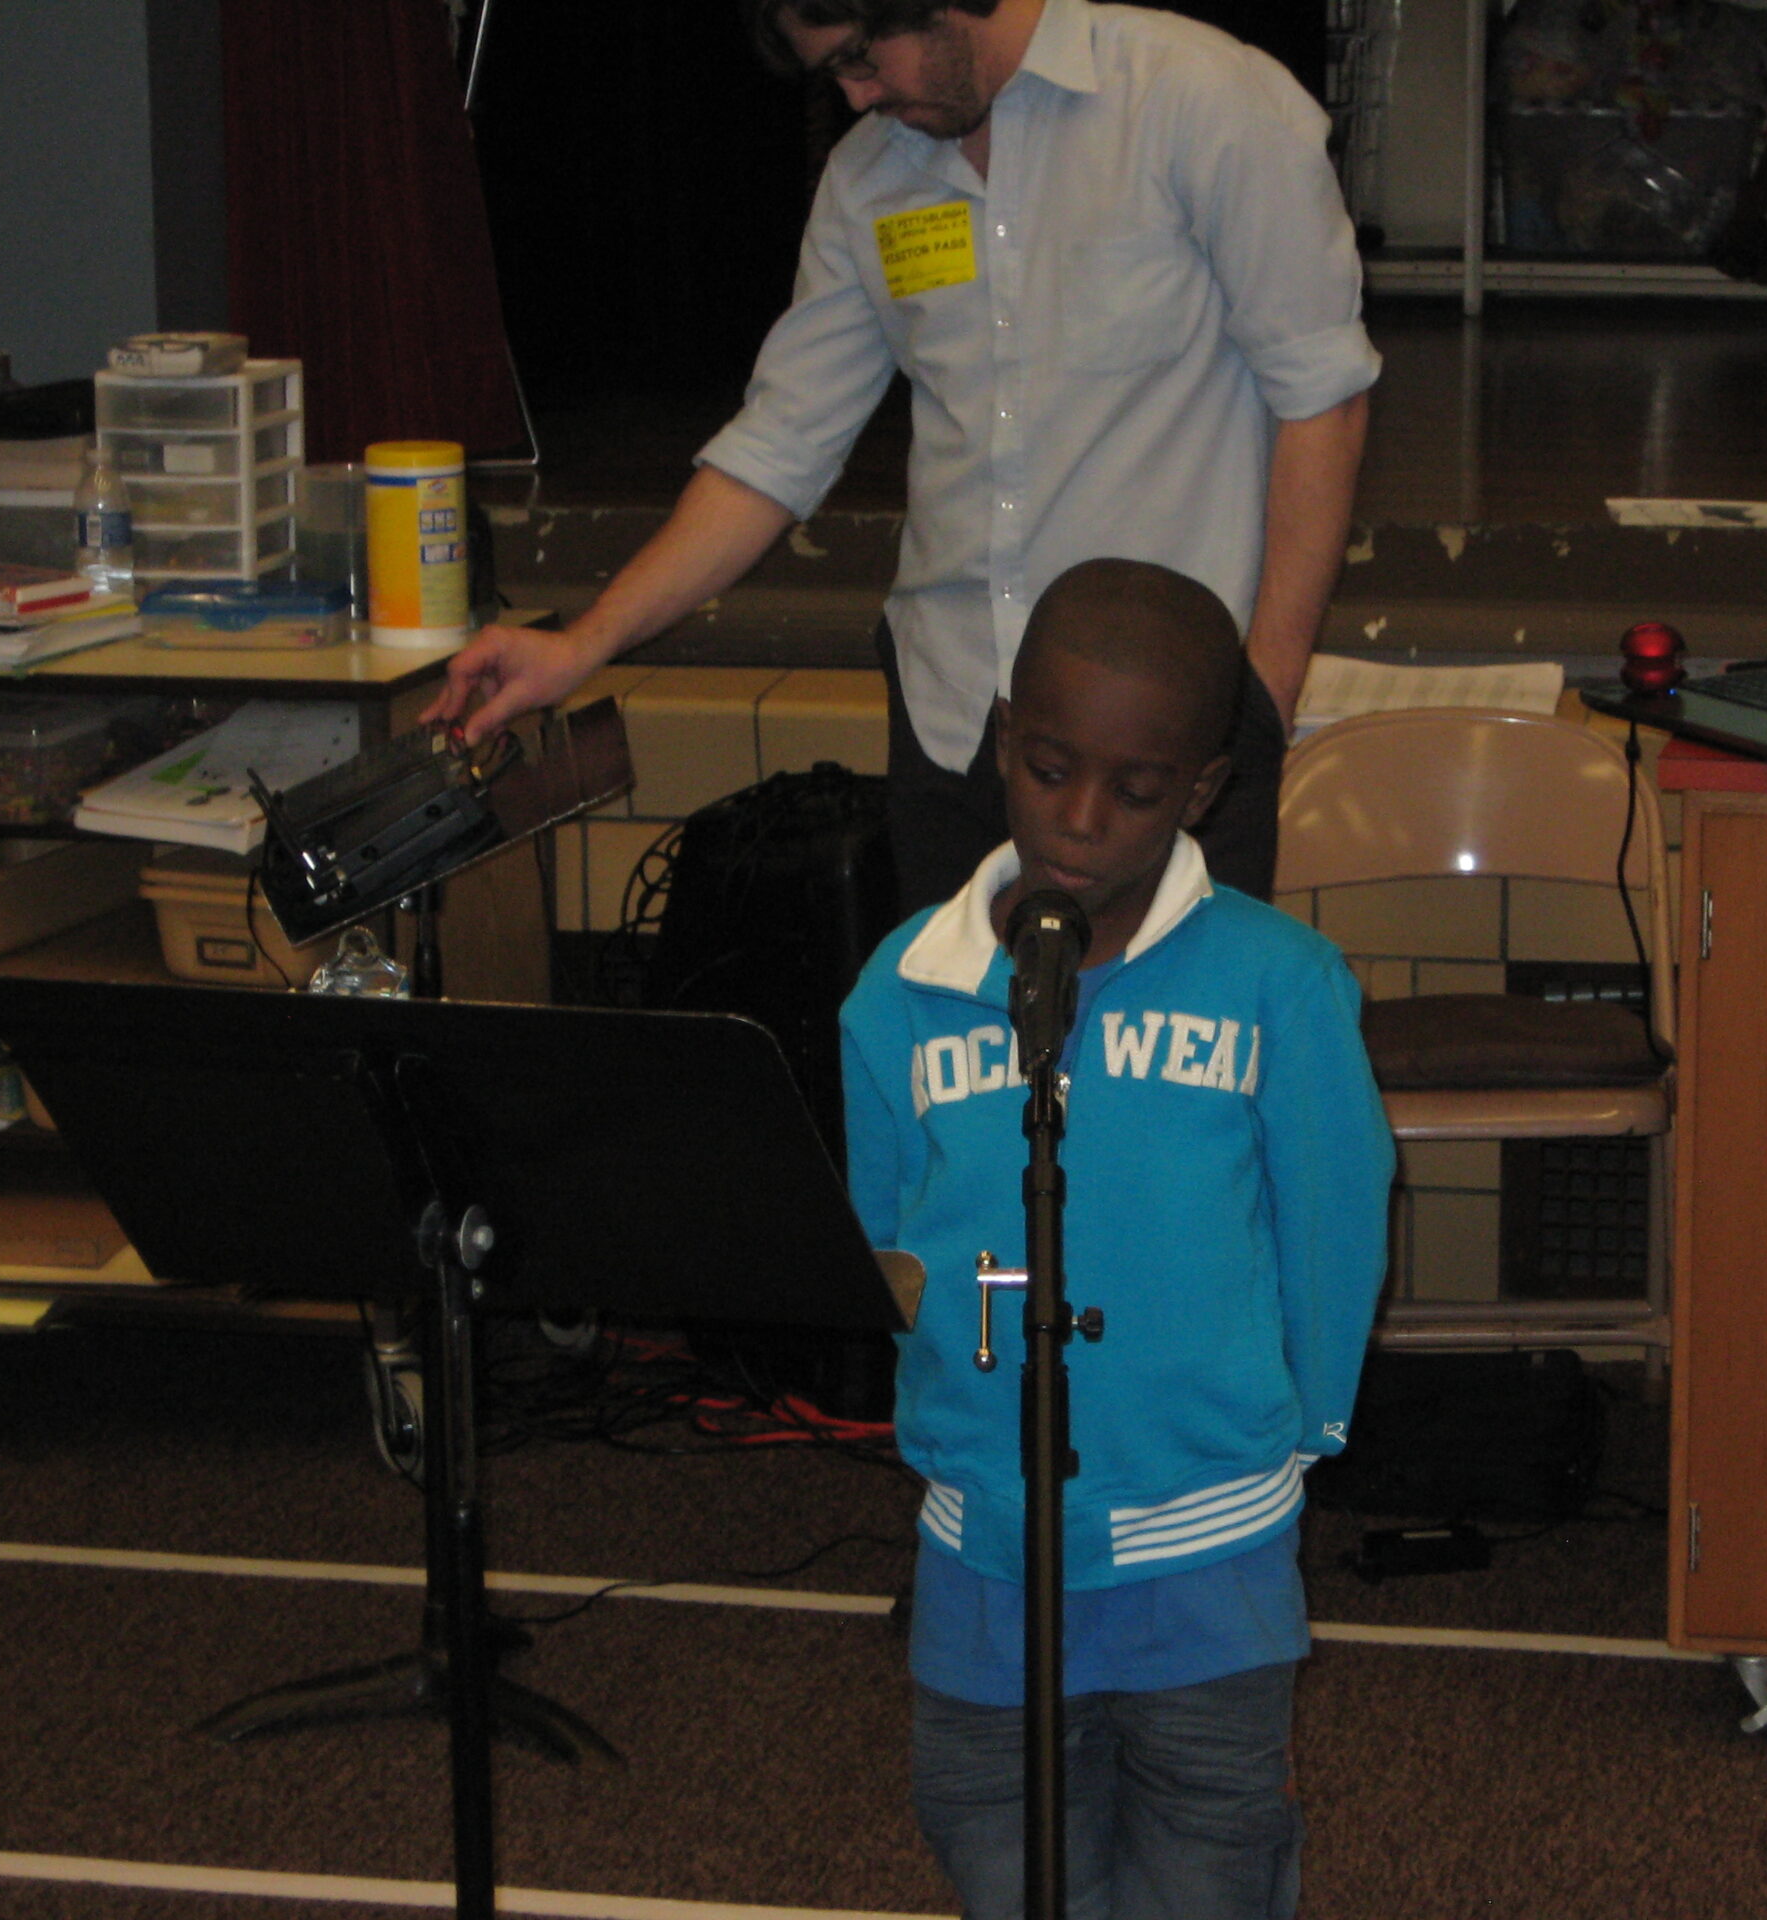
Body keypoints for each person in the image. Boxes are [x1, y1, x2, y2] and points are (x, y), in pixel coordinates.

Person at [427, 0, 1377, 912]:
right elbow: (779, 446)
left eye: (858, 58)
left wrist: (1260, 700)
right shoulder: (870, 178)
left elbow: (1323, 402)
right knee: (956, 1067)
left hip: (1164, 727)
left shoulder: (1199, 100)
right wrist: (579, 646)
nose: (853, 96)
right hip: (956, 717)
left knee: (1167, 1071)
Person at [839, 558, 1395, 1917]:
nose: (1079, 821)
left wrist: (1295, 1432)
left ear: (1200, 791)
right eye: (1045, 767)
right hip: (984, 1550)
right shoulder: (906, 992)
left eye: (1136, 792)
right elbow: (886, 1246)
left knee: (1206, 1861)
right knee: (1000, 1853)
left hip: (1208, 1552)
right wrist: (953, 1425)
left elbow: (1335, 1225)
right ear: (1002, 743)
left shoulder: (1277, 983)